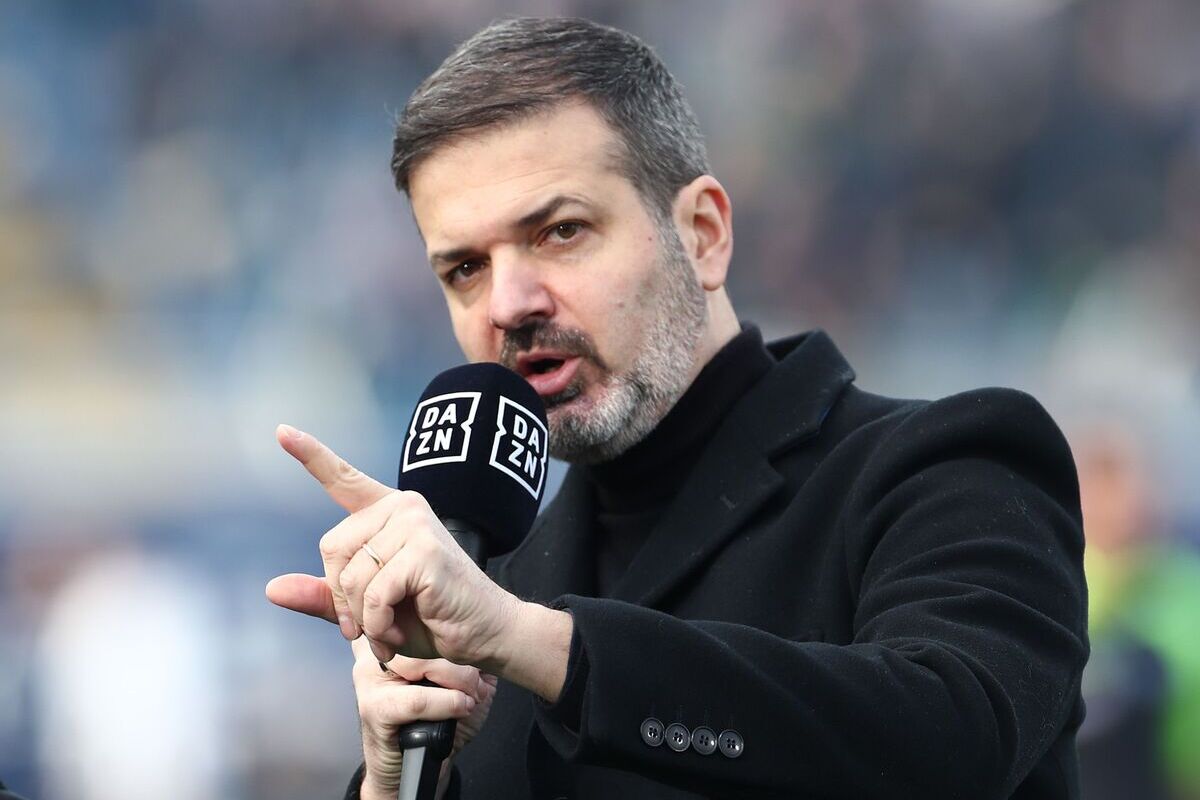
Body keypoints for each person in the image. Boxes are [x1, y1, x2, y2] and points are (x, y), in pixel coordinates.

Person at [266, 17, 1088, 800]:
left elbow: (954, 745)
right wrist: (398, 778)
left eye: (560, 231)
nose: (508, 303)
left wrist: (541, 648)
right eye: (464, 270)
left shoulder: (948, 462)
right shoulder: (500, 591)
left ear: (701, 234)